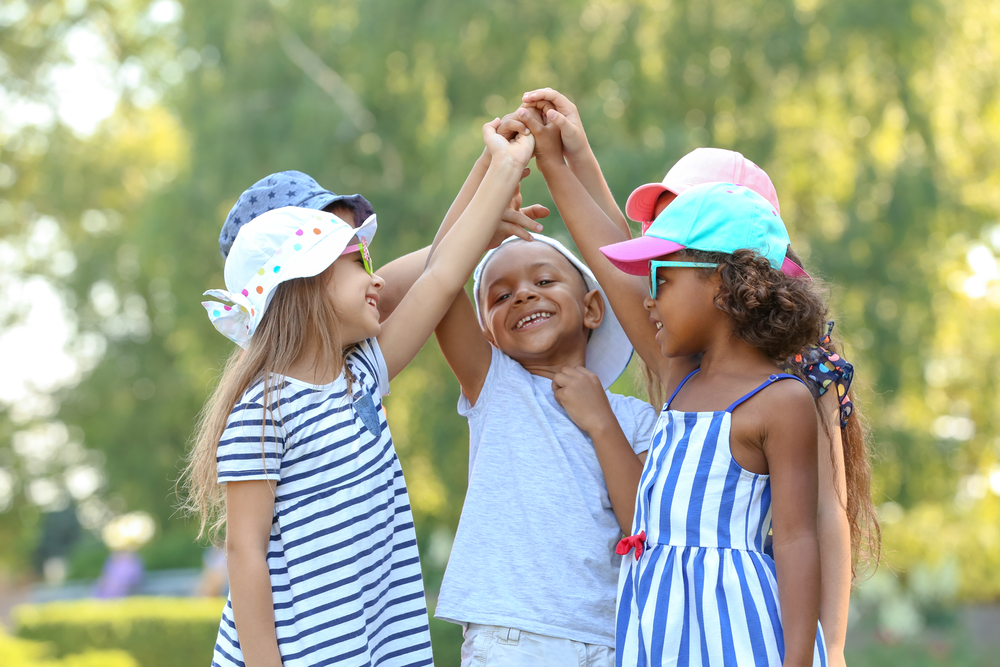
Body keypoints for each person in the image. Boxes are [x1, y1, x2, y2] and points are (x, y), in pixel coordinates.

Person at [518, 92, 879, 665]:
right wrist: (563, 159)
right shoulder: (685, 372)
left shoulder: (792, 385)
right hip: (663, 629)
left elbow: (819, 520)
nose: (648, 294)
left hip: (742, 631)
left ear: (731, 276)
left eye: (663, 269)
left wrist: (826, 650)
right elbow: (614, 253)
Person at [180, 119, 535, 667]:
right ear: (305, 283)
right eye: (356, 260)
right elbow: (244, 552)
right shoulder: (265, 407)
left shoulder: (363, 375)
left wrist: (491, 169)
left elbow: (441, 273)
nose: (376, 278)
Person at [422, 137, 658, 664]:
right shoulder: (494, 385)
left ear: (593, 308)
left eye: (544, 280)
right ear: (487, 331)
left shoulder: (633, 418)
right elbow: (437, 278)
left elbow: (641, 521)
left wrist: (601, 424)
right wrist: (490, 169)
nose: (522, 295)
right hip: (512, 637)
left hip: (608, 638)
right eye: (500, 295)